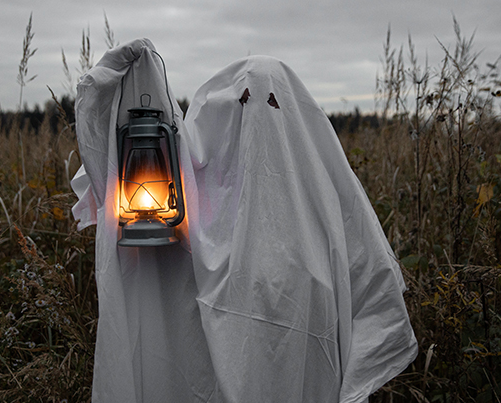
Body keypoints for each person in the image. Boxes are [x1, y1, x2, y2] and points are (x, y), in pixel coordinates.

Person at [72, 39, 417, 403]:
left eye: (273, 103)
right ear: (221, 115)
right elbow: (110, 169)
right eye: (244, 101)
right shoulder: (188, 208)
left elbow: (375, 294)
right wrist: (114, 78)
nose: (258, 116)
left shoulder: (329, 214)